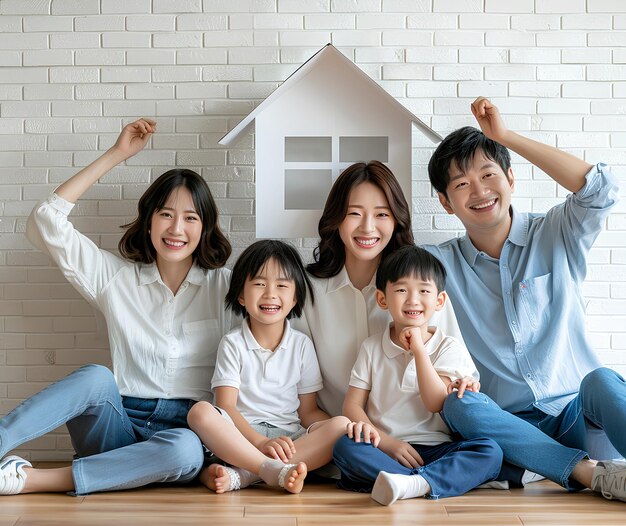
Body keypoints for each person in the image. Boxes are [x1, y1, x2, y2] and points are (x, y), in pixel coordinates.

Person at [0, 119, 234, 496]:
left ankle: (30, 481)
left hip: (187, 432)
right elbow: (45, 223)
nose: (177, 229)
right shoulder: (116, 278)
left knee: (185, 450)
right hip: (117, 424)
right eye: (166, 214)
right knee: (96, 376)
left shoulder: (226, 287)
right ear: (149, 221)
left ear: (205, 227)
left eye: (191, 217)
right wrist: (117, 154)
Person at [425, 96, 626, 502]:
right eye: (462, 185)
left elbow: (602, 187)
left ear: (511, 178)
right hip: (511, 426)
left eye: (488, 174)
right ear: (446, 203)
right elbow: (387, 277)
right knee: (460, 404)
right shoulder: (437, 265)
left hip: (577, 412)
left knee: (602, 379)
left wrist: (505, 137)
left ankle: (562, 467)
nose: (479, 191)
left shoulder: (556, 232)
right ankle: (592, 475)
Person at [333, 245, 503, 505]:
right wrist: (388, 444)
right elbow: (352, 405)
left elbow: (435, 401)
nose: (413, 299)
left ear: (439, 301)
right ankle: (425, 482)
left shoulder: (449, 347)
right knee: (345, 447)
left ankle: (410, 482)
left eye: (424, 290)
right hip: (386, 448)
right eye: (401, 290)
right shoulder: (371, 347)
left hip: (438, 449)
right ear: (382, 299)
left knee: (490, 452)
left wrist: (420, 351)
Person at [293, 161, 463, 419]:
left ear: (397, 220)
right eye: (354, 213)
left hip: (420, 434)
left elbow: (456, 370)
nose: (368, 227)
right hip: (340, 433)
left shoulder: (422, 288)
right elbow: (292, 380)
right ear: (336, 218)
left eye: (382, 214)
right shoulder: (307, 290)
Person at [187, 240, 352, 494]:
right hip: (241, 436)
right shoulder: (232, 343)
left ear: (295, 296)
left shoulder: (301, 345)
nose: (270, 294)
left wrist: (333, 427)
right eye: (259, 284)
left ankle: (246, 475)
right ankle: (266, 469)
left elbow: (308, 411)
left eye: (282, 285)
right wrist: (261, 442)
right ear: (241, 295)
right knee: (200, 413)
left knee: (341, 425)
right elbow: (227, 406)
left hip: (289, 439)